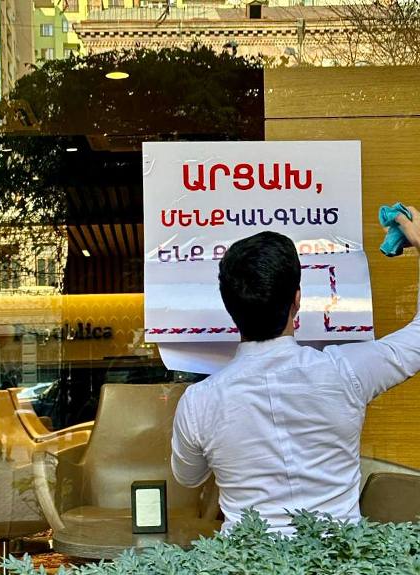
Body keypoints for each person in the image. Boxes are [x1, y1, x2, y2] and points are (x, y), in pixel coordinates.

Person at [171, 207, 420, 534]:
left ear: (229, 308)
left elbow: (188, 477)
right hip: (340, 563)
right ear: (297, 300)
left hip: (244, 564)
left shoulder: (197, 402)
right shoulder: (346, 372)